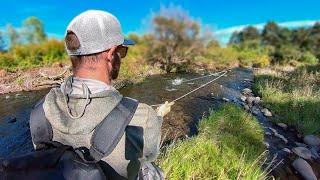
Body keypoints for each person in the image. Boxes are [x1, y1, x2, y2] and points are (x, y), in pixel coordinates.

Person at [29, 10, 174, 179]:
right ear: (112, 55)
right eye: (123, 51)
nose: (122, 56)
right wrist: (158, 116)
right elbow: (148, 156)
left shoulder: (40, 112)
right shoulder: (142, 116)